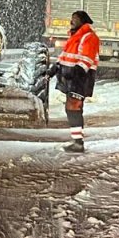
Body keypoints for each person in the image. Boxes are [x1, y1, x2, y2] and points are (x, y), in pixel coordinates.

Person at [48, 10, 100, 152]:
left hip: (80, 79)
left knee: (74, 109)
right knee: (71, 109)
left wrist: (75, 74)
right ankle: (77, 140)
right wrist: (54, 69)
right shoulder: (75, 37)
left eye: (75, 19)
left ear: (82, 21)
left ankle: (78, 143)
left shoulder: (89, 37)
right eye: (71, 18)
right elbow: (65, 56)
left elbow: (86, 61)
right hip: (71, 78)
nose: (71, 21)